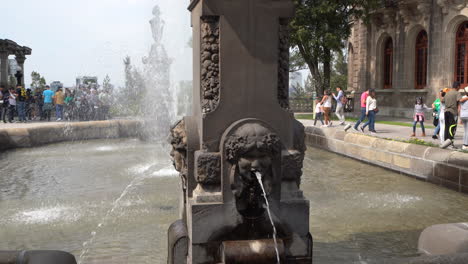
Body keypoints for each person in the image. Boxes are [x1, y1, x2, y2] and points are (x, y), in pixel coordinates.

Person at [441, 81, 462, 148]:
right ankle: (450, 142)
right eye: (459, 87)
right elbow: (460, 100)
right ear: (458, 86)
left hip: (446, 111)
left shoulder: (447, 93)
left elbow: (442, 100)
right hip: (452, 112)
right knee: (452, 127)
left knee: (447, 127)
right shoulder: (457, 93)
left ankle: (445, 142)